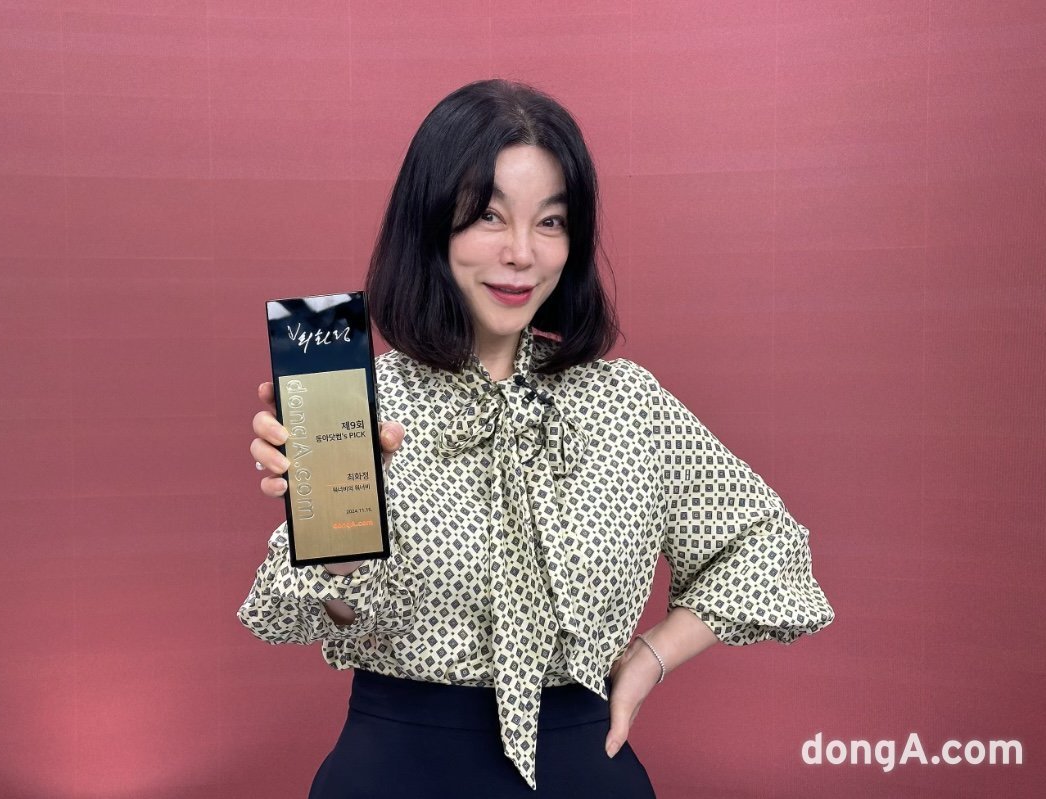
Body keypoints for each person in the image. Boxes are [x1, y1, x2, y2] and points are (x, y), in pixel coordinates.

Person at [239, 79, 834, 797]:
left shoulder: (625, 402)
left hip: (583, 769)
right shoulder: (361, 400)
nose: (522, 252)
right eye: (489, 216)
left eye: (550, 222)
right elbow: (320, 616)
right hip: (396, 769)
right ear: (430, 224)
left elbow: (767, 541)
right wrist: (333, 535)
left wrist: (650, 656)